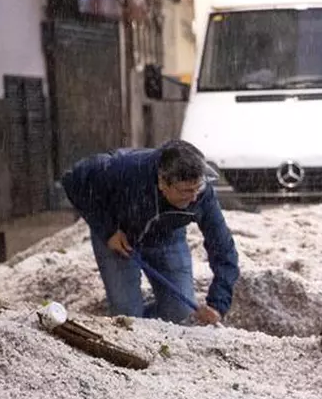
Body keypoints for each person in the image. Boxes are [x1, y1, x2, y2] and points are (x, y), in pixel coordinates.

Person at [61, 139, 240, 325]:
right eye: (186, 191)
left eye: (198, 188)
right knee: (127, 315)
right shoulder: (124, 169)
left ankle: (149, 320)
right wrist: (108, 230)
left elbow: (223, 248)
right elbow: (73, 180)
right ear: (163, 182)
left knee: (180, 313)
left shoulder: (202, 195)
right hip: (119, 237)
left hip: (167, 238)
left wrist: (218, 304)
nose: (194, 197)